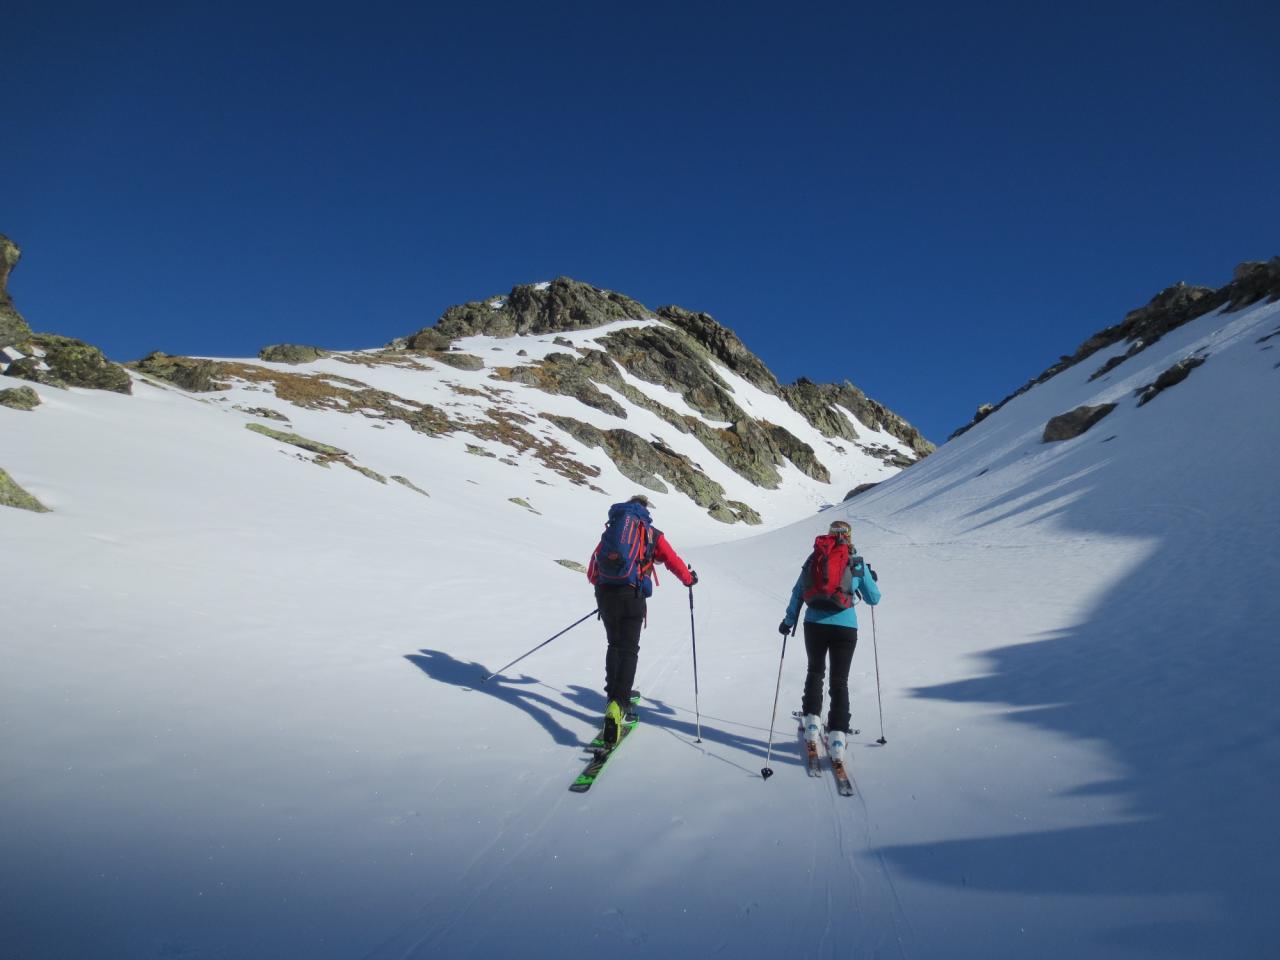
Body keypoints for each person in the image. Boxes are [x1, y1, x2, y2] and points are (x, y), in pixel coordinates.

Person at [587, 494, 697, 745]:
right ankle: (619, 705)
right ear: (645, 511)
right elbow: (671, 559)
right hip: (631, 595)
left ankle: (612, 697)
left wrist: (603, 594)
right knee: (628, 650)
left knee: (614, 646)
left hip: (605, 594)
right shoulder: (650, 532)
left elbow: (593, 567)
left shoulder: (612, 529)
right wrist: (689, 579)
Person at [778, 519, 880, 763]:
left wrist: (789, 620)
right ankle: (837, 736)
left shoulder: (814, 559)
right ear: (849, 536)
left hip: (813, 624)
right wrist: (870, 577)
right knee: (839, 680)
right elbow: (874, 598)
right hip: (845, 628)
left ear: (828, 535)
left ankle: (812, 721)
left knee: (815, 671)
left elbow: (798, 591)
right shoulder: (856, 562)